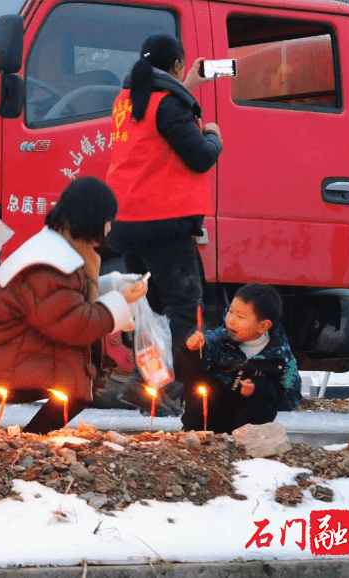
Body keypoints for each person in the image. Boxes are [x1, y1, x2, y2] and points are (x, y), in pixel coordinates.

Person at [0, 178, 148, 434]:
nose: (109, 228)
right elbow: (75, 324)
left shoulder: (58, 249)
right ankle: (33, 436)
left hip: (9, 351)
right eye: (107, 219)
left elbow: (68, 300)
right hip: (2, 361)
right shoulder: (50, 264)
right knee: (77, 386)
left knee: (80, 382)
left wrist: (114, 288)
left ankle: (33, 436)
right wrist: (119, 302)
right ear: (91, 218)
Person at [104, 34, 224, 409]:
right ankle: (178, 389)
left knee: (150, 308)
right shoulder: (169, 105)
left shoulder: (126, 100)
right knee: (184, 305)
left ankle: (147, 381)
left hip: (127, 220)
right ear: (174, 66)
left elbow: (158, 114)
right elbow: (200, 156)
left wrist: (187, 86)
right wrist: (214, 137)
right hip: (164, 220)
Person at [180, 283, 303, 434]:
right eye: (230, 311)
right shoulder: (218, 340)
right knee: (200, 385)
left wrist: (258, 389)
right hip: (210, 416)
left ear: (264, 326)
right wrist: (191, 351)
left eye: (240, 317)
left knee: (262, 406)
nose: (231, 320)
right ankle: (196, 433)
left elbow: (292, 396)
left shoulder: (281, 357)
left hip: (246, 423)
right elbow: (186, 373)